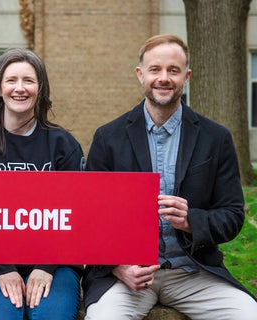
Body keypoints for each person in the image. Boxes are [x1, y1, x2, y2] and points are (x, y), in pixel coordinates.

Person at [82, 34, 257, 319]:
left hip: (193, 272)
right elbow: (89, 218)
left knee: (249, 314)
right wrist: (118, 266)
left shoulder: (216, 138)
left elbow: (233, 215)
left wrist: (192, 221)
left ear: (186, 76)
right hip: (128, 276)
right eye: (155, 69)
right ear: (141, 75)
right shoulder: (108, 137)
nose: (164, 78)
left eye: (173, 70)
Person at [0, 48, 84, 320]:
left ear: (41, 88)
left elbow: (76, 214)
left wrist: (46, 265)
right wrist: (3, 267)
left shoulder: (64, 145)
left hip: (57, 263)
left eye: (28, 80)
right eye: (11, 80)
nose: (20, 88)